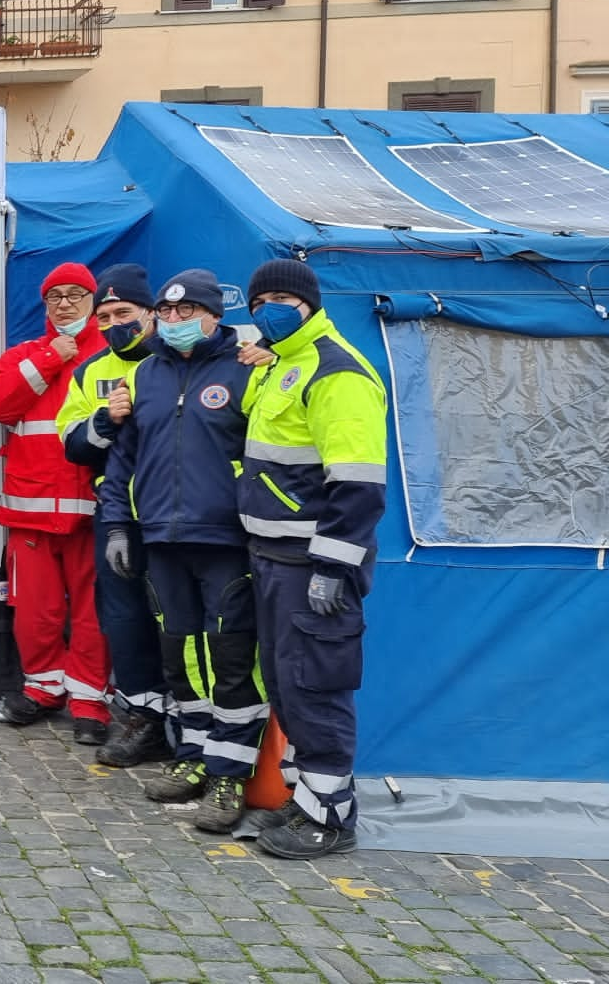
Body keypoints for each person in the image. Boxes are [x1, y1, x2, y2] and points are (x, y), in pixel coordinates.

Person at [97, 269, 263, 832]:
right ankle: (192, 757)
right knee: (182, 657)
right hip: (161, 540)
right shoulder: (146, 374)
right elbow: (122, 462)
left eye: (187, 312)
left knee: (232, 660)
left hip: (226, 542)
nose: (174, 322)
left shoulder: (247, 371)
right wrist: (119, 526)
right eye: (166, 314)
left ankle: (229, 777)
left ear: (214, 315)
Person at [236, 259, 386, 859]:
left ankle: (331, 817)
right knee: (287, 685)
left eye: (280, 298)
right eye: (258, 299)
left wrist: (334, 565)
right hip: (273, 557)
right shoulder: (283, 365)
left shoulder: (336, 371)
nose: (267, 309)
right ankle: (306, 801)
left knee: (316, 685)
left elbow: (358, 484)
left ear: (308, 303)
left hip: (311, 564)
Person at [0, 263, 113, 738]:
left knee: (93, 611)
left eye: (75, 294)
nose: (65, 304)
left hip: (93, 508)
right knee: (36, 609)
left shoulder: (114, 354)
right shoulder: (25, 354)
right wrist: (50, 359)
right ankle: (43, 685)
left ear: (93, 300)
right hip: (30, 507)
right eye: (55, 296)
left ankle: (89, 699)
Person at [56, 264, 174, 766]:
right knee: (124, 619)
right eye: (103, 316)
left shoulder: (179, 362)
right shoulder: (91, 371)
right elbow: (72, 442)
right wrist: (105, 420)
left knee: (180, 620)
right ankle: (142, 720)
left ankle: (191, 723)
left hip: (179, 511)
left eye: (123, 312)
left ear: (151, 314)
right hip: (117, 512)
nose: (113, 323)